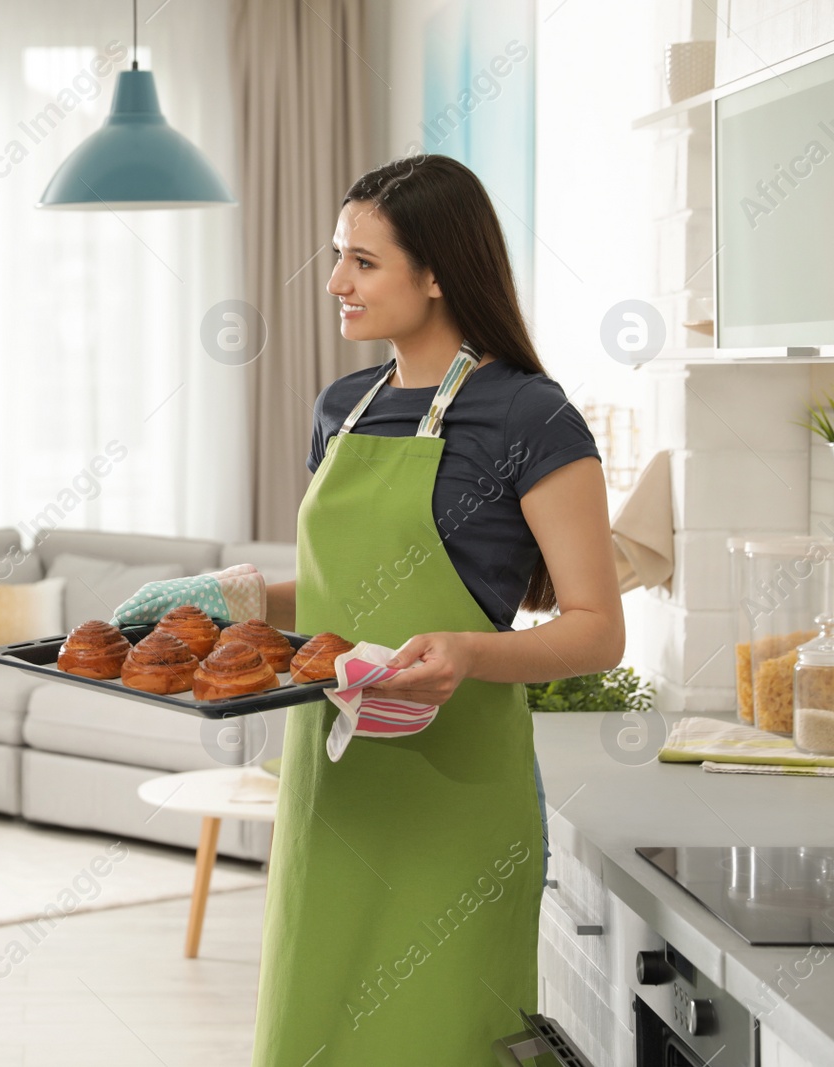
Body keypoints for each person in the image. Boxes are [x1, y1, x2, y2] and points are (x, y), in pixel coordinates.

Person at [126, 154, 623, 1064]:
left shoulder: (529, 416)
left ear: (434, 272)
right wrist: (229, 596)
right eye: (336, 255)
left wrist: (467, 653)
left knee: (435, 1037)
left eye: (362, 260)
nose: (335, 282)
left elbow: (596, 627)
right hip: (332, 785)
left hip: (454, 794)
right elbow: (337, 595)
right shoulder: (341, 408)